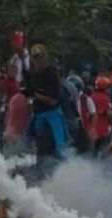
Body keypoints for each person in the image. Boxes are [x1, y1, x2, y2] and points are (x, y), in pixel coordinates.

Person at [28, 44, 68, 179]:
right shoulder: (32, 75)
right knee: (31, 144)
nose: (38, 61)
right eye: (35, 58)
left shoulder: (52, 76)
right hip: (38, 117)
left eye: (40, 58)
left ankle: (59, 179)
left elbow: (53, 101)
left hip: (51, 119)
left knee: (54, 151)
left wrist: (35, 95)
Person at [91, 76, 112, 155]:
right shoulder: (104, 97)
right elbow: (106, 112)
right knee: (103, 150)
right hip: (102, 128)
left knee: (95, 150)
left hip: (94, 127)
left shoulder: (93, 96)